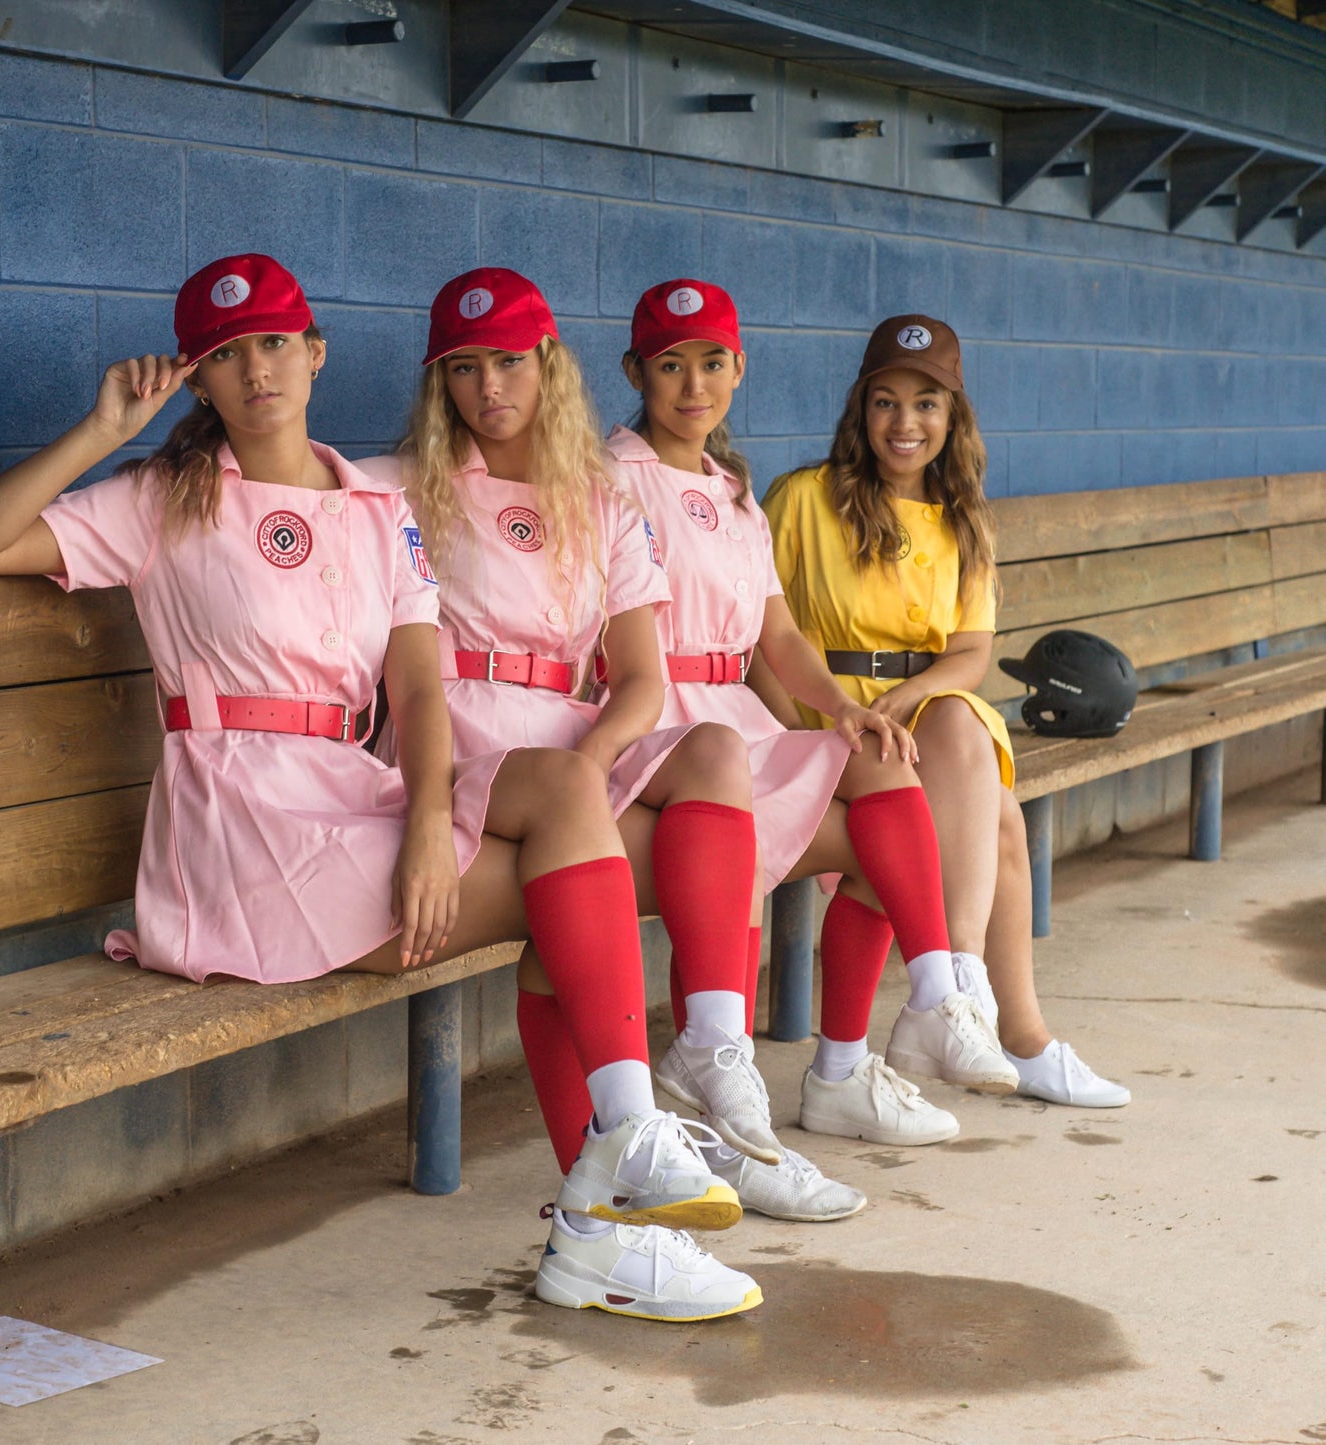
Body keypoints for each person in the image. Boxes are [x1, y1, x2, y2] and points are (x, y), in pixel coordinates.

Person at [0, 253, 761, 1323]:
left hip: (351, 794)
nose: (254, 370)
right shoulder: (162, 499)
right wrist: (103, 432)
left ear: (315, 353)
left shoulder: (377, 507)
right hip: (240, 821)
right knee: (571, 892)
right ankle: (605, 1214)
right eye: (223, 355)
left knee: (561, 809)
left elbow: (415, 684)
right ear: (199, 379)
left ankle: (611, 1194)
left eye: (273, 342)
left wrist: (423, 818)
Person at [375, 264, 835, 1224]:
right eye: (462, 369)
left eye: (507, 362)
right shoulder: (395, 488)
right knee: (598, 882)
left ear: (549, 366)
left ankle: (714, 1060)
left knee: (710, 752)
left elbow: (638, 679)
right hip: (457, 746)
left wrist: (593, 764)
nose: (487, 390)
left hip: (563, 749)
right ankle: (628, 1177)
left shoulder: (599, 499)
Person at [609, 278, 1021, 1174]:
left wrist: (840, 714)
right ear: (635, 370)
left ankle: (920, 1007)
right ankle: (734, 1092)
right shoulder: (612, 478)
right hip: (659, 715)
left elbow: (775, 634)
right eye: (671, 365)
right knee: (773, 831)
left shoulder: (733, 490)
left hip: (736, 709)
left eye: (712, 363)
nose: (693, 386)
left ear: (738, 369)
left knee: (884, 774)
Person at [759, 313, 1130, 1108]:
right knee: (998, 816)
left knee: (960, 718)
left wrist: (909, 693)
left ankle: (965, 995)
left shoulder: (963, 519)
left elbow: (966, 652)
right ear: (860, 410)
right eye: (886, 401)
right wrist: (805, 719)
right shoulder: (801, 498)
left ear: (952, 416)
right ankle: (990, 1017)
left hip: (923, 712)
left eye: (926, 404)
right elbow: (761, 632)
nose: (905, 423)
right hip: (827, 714)